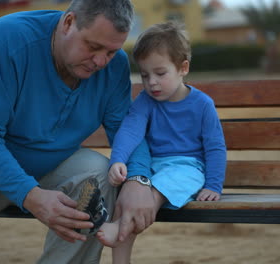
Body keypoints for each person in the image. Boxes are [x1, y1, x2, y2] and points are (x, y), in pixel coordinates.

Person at [0, 0, 156, 263]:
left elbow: (126, 130)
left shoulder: (114, 65)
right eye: (93, 46)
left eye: (111, 51)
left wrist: (139, 179)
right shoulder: (6, 39)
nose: (100, 61)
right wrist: (31, 196)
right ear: (68, 22)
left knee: (98, 172)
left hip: (44, 170)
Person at [96, 22, 227, 263]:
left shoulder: (202, 104)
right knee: (127, 193)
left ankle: (123, 223)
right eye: (145, 75)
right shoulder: (146, 101)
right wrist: (118, 160)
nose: (152, 82)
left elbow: (215, 147)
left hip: (187, 169)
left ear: (182, 68)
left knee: (156, 188)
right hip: (153, 167)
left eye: (160, 73)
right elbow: (130, 131)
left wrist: (214, 185)